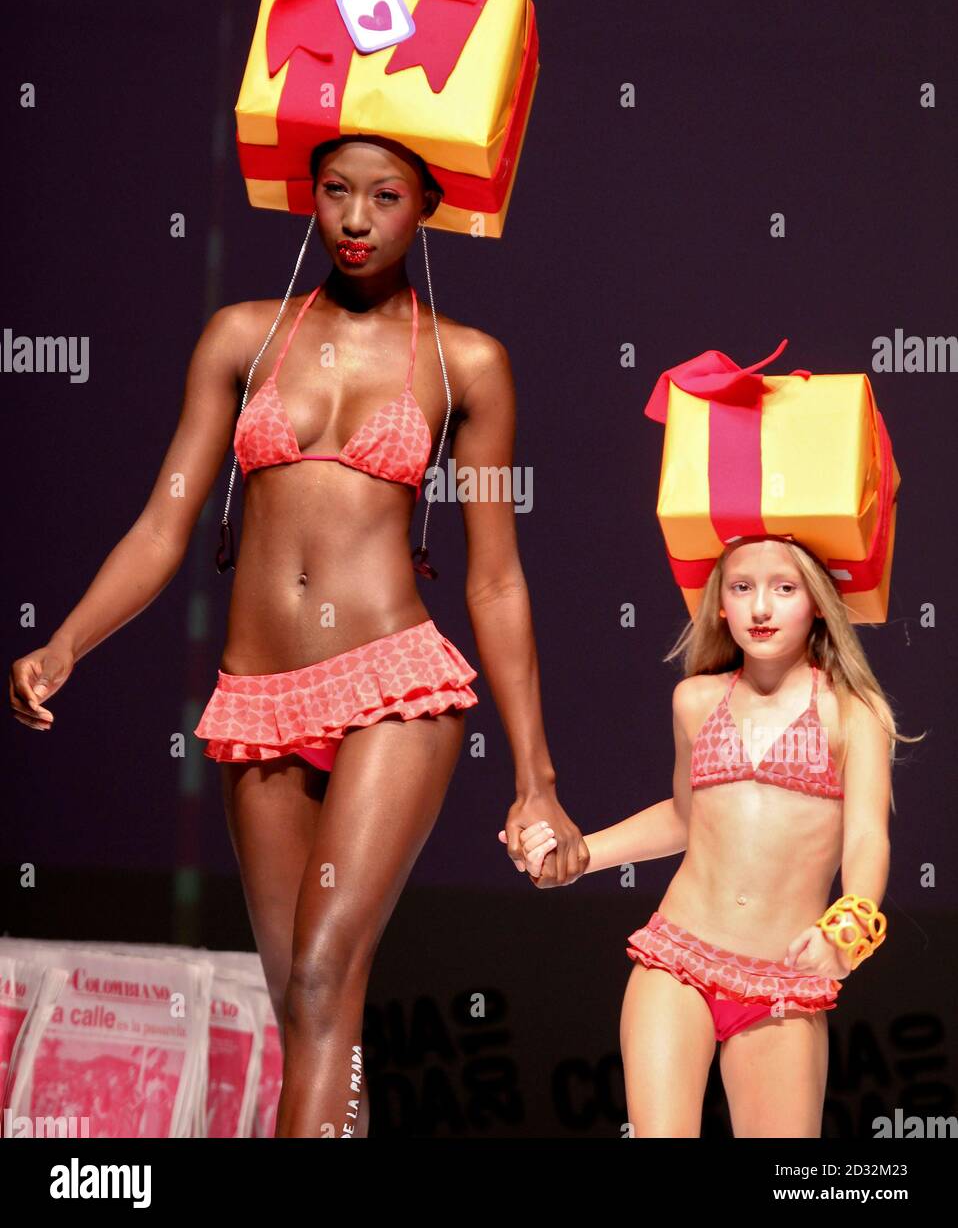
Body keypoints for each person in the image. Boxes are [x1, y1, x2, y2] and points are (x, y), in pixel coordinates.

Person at [8, 133, 588, 1137]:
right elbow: (164, 522)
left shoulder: (469, 362)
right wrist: (64, 646)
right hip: (258, 698)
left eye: (386, 196)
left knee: (322, 973)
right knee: (310, 1008)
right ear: (308, 197)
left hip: (393, 686)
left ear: (426, 206)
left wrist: (534, 774)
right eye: (335, 192)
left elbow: (494, 577)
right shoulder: (241, 337)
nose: (357, 219)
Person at [509, 533, 920, 1138]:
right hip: (677, 958)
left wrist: (850, 925)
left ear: (818, 602)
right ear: (719, 604)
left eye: (784, 588)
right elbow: (684, 818)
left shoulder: (856, 713)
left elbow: (865, 838)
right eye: (742, 587)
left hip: (784, 978)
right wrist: (581, 856)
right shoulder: (695, 701)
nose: (760, 608)